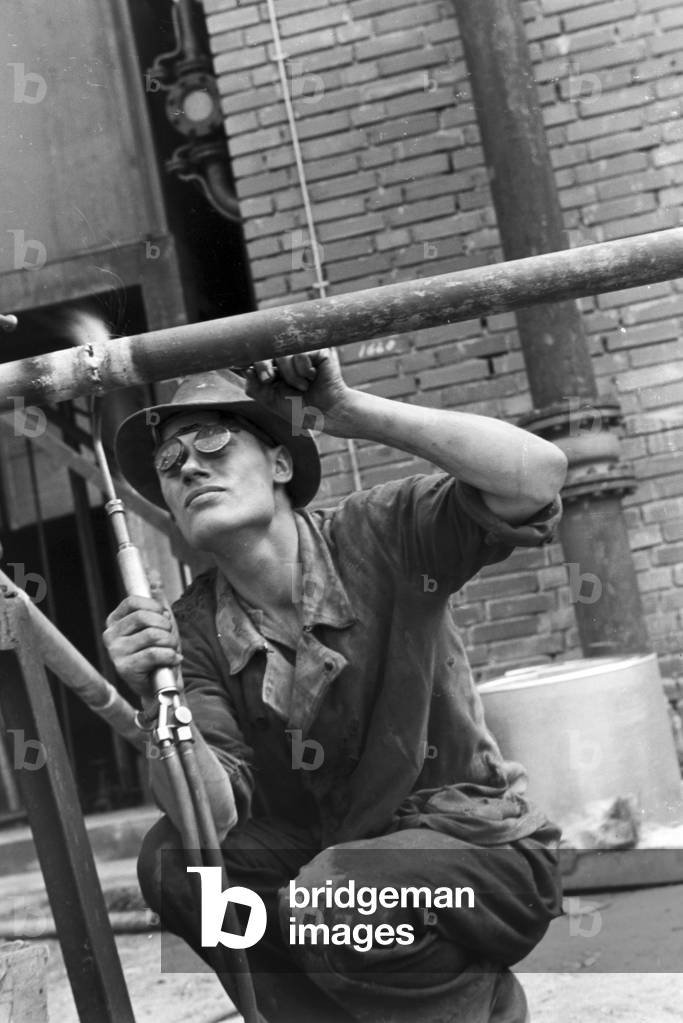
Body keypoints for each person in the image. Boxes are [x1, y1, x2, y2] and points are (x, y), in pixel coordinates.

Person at [103, 349, 568, 1023]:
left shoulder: (381, 532)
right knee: (177, 862)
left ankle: (474, 1010)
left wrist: (348, 410)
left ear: (280, 464)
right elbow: (212, 817)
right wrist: (156, 695)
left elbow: (536, 477)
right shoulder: (192, 632)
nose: (190, 467)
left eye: (213, 442)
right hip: (330, 859)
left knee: (334, 894)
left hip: (478, 856)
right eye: (170, 463)